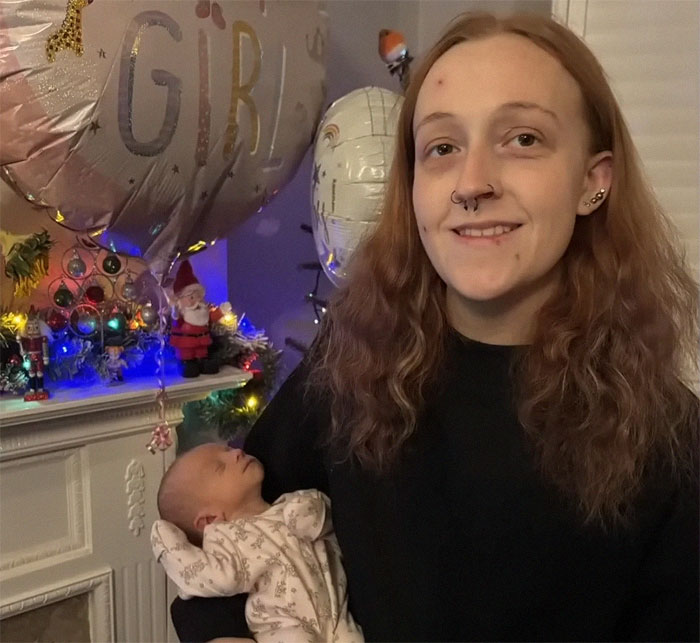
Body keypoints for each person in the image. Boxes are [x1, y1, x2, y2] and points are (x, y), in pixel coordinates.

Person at [171, 11, 699, 642]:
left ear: (593, 181)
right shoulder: (354, 361)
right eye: (442, 148)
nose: (472, 184)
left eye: (523, 139)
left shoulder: (671, 439)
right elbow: (213, 536)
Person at [152, 442, 363, 643]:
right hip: (286, 626)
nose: (236, 453)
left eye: (229, 449)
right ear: (209, 519)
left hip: (337, 617)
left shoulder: (289, 505)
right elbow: (202, 575)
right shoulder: (226, 541)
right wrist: (165, 541)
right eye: (220, 467)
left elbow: (334, 521)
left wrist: (311, 510)